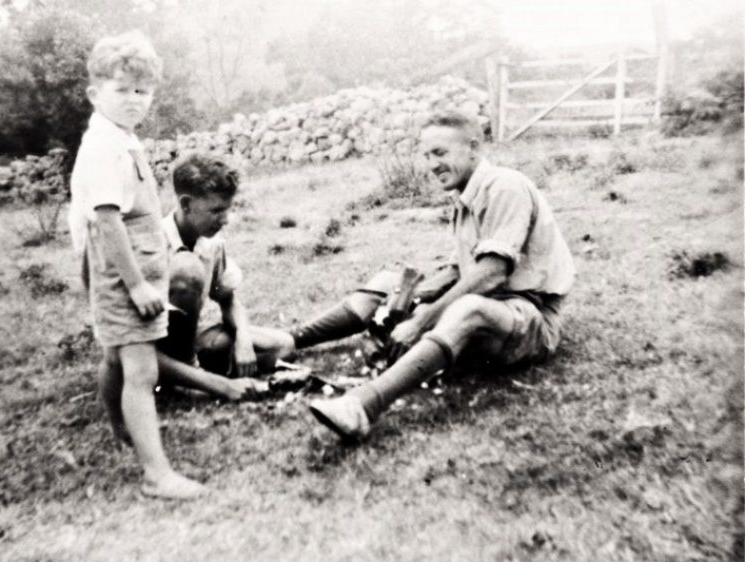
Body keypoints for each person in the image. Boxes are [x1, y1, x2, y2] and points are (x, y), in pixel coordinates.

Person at [304, 111, 576, 439]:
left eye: (440, 153)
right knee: (388, 284)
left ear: (473, 148)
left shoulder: (505, 186)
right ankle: (289, 340)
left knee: (465, 308)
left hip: (530, 317)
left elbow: (492, 273)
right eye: (427, 155)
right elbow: (456, 271)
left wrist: (421, 321)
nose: (432, 164)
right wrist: (405, 301)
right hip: (497, 311)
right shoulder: (465, 198)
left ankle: (363, 406)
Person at [68, 30, 204, 499]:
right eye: (121, 90)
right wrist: (138, 287)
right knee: (142, 372)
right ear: (94, 92)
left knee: (115, 356)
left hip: (125, 271)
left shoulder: (118, 138)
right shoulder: (105, 146)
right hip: (123, 275)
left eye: (142, 91)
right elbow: (107, 223)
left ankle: (121, 430)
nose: (133, 100)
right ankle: (156, 474)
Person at [153, 154, 294, 398]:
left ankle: (194, 375)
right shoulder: (154, 246)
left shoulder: (211, 243)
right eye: (216, 210)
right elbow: (137, 348)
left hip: (191, 345)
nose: (225, 219)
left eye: (227, 209)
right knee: (186, 268)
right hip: (154, 353)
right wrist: (221, 387)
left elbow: (227, 298)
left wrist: (244, 338)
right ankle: (180, 381)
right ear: (185, 204)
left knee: (283, 346)